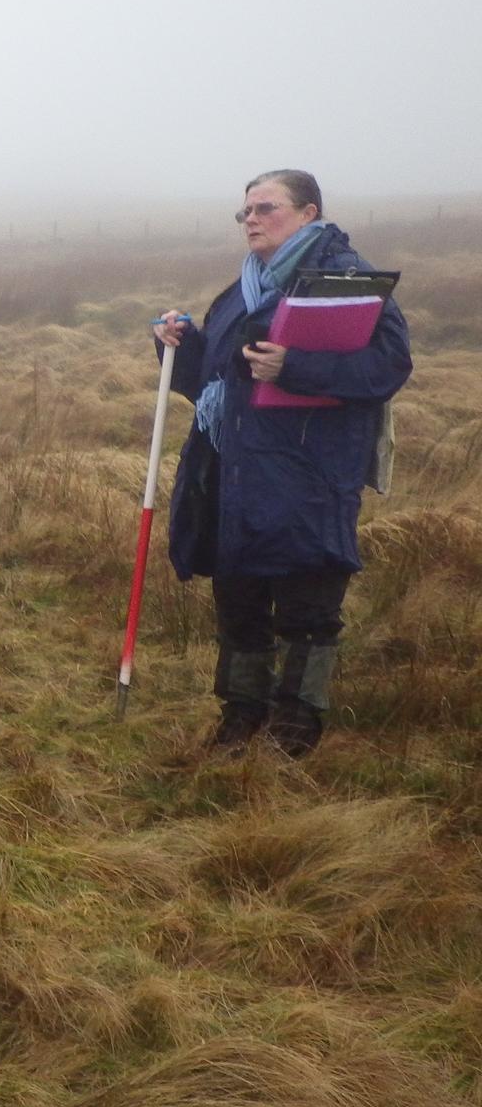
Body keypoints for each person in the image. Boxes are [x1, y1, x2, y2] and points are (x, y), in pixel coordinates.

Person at [153, 170, 410, 757]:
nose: (250, 219)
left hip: (307, 470)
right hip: (234, 468)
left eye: (265, 208)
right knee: (239, 597)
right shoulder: (242, 290)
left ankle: (296, 721)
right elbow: (213, 384)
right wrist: (179, 346)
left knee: (307, 601)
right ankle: (242, 712)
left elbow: (388, 369)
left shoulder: (345, 280)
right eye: (243, 211)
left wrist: (292, 368)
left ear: (308, 212)